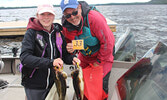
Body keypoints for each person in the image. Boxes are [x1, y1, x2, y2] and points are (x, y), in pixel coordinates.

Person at [20, 4, 80, 100]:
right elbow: (25, 58)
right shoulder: (31, 33)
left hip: (54, 83)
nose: (46, 17)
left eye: (49, 14)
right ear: (37, 15)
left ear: (54, 16)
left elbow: (64, 55)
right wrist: (51, 62)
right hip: (34, 85)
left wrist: (72, 58)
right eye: (43, 14)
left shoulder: (58, 33)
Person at [60, 0, 115, 99]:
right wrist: (70, 49)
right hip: (86, 54)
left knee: (99, 83)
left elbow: (108, 43)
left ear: (80, 8)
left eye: (74, 12)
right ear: (64, 16)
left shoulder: (94, 19)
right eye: (68, 16)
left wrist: (98, 62)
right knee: (79, 79)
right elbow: (70, 46)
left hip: (104, 53)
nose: (72, 17)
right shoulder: (65, 27)